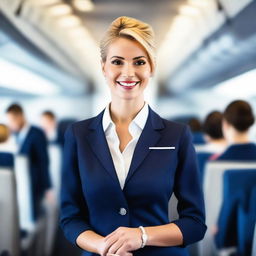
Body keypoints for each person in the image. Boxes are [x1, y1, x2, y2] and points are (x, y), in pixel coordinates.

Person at [60, 16, 207, 256]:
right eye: (117, 62)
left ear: (151, 68)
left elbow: (194, 224)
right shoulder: (78, 135)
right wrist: (104, 247)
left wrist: (142, 236)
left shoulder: (176, 135)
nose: (128, 73)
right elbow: (70, 218)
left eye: (139, 62)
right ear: (104, 67)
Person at [6, 103, 53, 220]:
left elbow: (44, 161)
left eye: (12, 120)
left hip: (35, 185)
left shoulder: (37, 133)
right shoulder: (12, 135)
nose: (10, 124)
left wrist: (47, 187)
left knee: (33, 219)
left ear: (21, 116)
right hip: (19, 184)